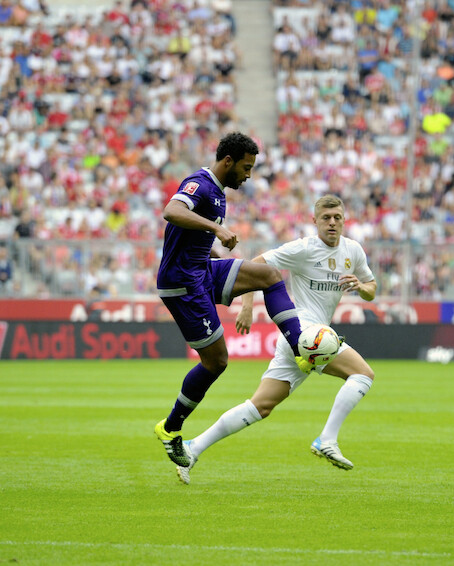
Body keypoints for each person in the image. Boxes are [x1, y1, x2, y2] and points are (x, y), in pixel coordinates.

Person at [175, 195, 378, 484]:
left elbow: (371, 287)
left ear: (344, 219)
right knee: (363, 374)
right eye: (326, 218)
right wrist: (247, 305)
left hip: (303, 339)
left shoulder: (353, 251)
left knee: (260, 406)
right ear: (315, 221)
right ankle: (327, 440)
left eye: (337, 218)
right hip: (303, 331)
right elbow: (254, 265)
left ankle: (193, 447)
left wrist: (360, 286)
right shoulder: (303, 249)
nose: (332, 223)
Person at [154, 132, 307, 467]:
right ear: (228, 162)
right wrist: (218, 230)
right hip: (182, 283)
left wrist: (209, 243)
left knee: (267, 275)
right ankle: (170, 428)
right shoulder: (200, 183)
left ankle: (300, 348)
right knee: (217, 362)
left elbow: (188, 236)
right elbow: (171, 210)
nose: (249, 175)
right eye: (246, 167)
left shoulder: (219, 193)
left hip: (200, 269)